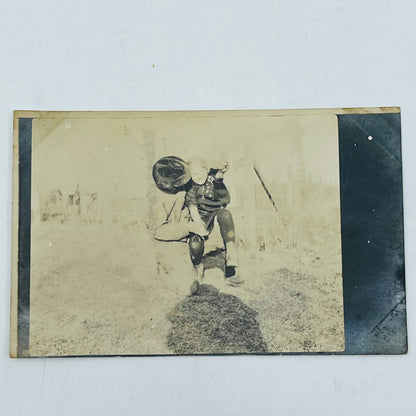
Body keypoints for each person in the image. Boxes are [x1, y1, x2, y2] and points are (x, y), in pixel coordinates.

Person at [185, 158, 244, 294]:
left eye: (201, 171)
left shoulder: (212, 178)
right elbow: (192, 207)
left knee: (226, 214)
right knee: (195, 244)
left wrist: (220, 172)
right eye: (195, 174)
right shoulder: (191, 187)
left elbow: (220, 172)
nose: (199, 176)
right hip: (200, 215)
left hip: (216, 209)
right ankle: (198, 266)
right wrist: (199, 226)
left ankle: (231, 266)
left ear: (206, 170)